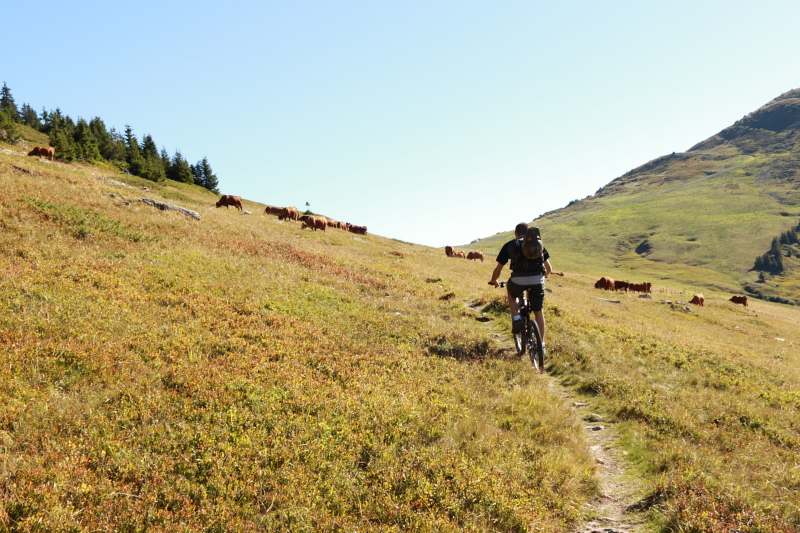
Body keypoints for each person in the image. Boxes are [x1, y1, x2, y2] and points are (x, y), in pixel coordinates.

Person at [488, 222, 552, 347]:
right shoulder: (538, 244)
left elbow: (498, 269)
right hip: (537, 280)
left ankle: (517, 318)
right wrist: (542, 277)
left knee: (512, 293)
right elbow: (549, 269)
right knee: (538, 311)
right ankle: (541, 345)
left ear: (516, 233)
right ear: (528, 232)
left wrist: (494, 280)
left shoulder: (510, 245)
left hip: (518, 280)